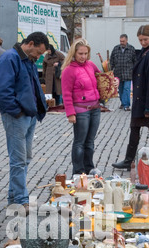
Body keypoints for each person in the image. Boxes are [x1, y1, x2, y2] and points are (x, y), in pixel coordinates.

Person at [0, 32, 49, 211]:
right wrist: (17, 112)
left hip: (28, 115)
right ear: (30, 43)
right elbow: (2, 91)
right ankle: (20, 199)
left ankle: (15, 197)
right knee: (19, 160)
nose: (39, 57)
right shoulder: (10, 58)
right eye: (38, 52)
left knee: (24, 158)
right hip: (17, 116)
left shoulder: (27, 59)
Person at [112, 25, 149, 174]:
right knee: (135, 128)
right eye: (140, 40)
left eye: (145, 39)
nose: (143, 42)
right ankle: (129, 160)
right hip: (142, 99)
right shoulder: (148, 51)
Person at [61, 38, 101, 176]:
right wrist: (70, 113)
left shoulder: (90, 65)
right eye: (80, 54)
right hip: (81, 110)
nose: (83, 57)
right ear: (74, 53)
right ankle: (78, 171)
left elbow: (103, 79)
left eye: (85, 53)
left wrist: (115, 81)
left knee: (90, 142)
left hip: (95, 108)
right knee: (80, 142)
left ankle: (89, 168)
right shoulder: (69, 70)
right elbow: (66, 93)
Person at [110, 34, 136, 111]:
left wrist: (134, 71)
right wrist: (110, 71)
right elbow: (112, 60)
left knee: (127, 89)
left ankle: (127, 105)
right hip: (118, 73)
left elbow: (135, 61)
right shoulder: (116, 49)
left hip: (128, 73)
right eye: (120, 41)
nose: (122, 43)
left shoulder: (131, 49)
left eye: (123, 41)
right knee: (120, 90)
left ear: (127, 40)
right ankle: (123, 103)